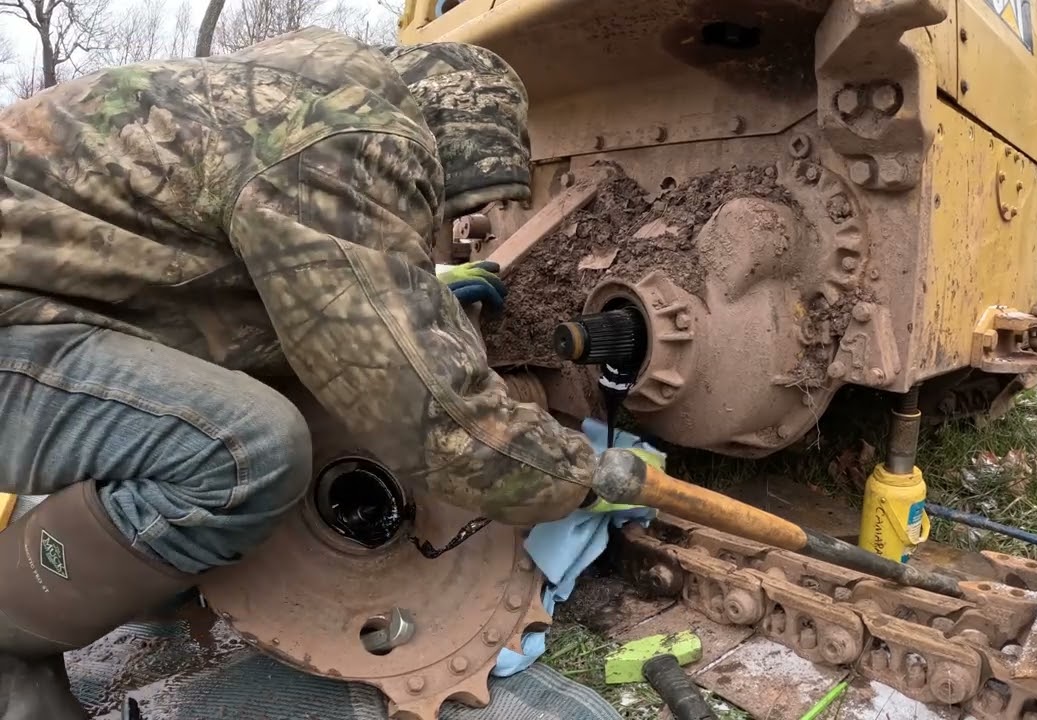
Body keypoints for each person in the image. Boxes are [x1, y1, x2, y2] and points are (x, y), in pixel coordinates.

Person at [0, 27, 631, 718]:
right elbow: (429, 418)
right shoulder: (350, 141)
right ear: (442, 145)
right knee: (247, 451)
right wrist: (572, 475)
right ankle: (10, 645)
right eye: (447, 201)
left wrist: (424, 293)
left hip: (37, 306)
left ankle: (127, 557)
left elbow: (253, 281)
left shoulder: (290, 100)